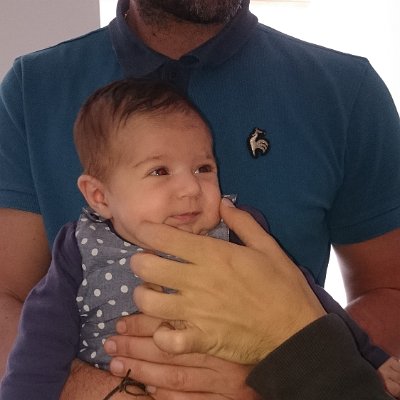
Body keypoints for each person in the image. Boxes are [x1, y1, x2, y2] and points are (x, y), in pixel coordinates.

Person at [0, 0, 399, 398]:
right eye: (159, 171)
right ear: (98, 196)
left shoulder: (241, 227)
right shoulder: (31, 92)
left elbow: (327, 301)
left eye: (204, 168)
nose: (190, 189)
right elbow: (27, 320)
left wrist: (304, 377)